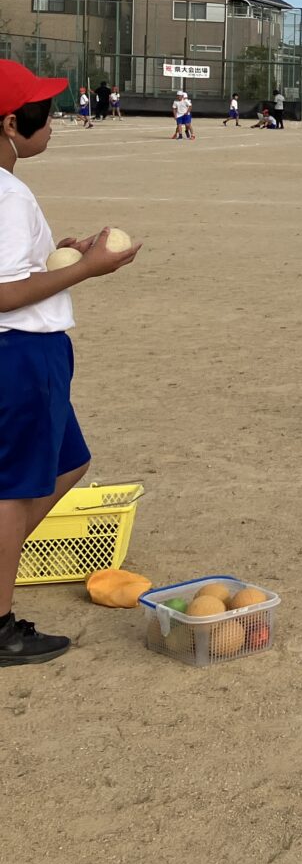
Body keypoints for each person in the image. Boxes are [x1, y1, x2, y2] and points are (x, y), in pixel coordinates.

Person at [0, 60, 143, 664]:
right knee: (12, 489)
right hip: (19, 353)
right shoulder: (6, 193)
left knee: (68, 463)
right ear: (11, 123)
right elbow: (2, 292)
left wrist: (62, 254)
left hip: (30, 351)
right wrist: (89, 269)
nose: (51, 120)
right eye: (41, 110)